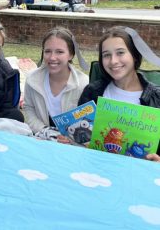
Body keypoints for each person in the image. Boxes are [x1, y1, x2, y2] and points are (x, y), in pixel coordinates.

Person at [78, 26, 160, 161]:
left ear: (134, 55)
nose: (113, 61)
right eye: (106, 55)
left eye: (120, 53)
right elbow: (80, 138)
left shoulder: (157, 99)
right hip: (97, 170)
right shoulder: (91, 92)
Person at [23, 27, 89, 139]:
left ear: (71, 55)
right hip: (41, 138)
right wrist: (45, 131)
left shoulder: (83, 84)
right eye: (48, 51)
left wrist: (68, 138)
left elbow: (87, 120)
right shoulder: (32, 79)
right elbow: (29, 108)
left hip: (71, 144)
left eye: (59, 52)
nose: (52, 57)